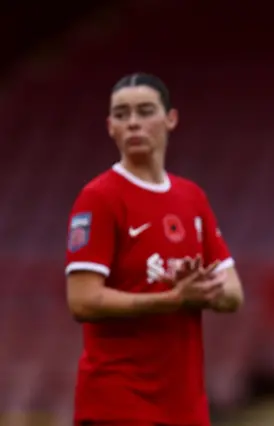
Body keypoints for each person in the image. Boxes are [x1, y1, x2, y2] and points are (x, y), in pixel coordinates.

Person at [65, 73, 244, 426]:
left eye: (145, 111)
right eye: (121, 114)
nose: (133, 122)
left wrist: (205, 290)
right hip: (117, 403)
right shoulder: (99, 198)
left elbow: (234, 294)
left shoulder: (192, 197)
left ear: (170, 118)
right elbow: (82, 300)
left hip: (184, 405)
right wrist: (174, 299)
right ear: (110, 127)